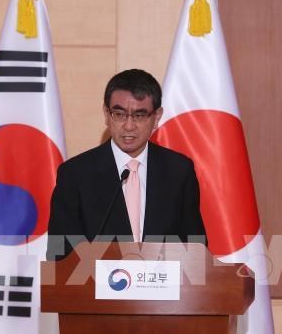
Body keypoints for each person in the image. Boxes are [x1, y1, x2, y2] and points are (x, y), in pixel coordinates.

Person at [46, 69, 206, 260]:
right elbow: (59, 253)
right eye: (119, 114)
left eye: (139, 116)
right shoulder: (75, 174)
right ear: (106, 114)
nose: (129, 126)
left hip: (164, 287)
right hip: (95, 288)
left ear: (156, 117)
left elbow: (196, 249)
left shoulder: (179, 172)